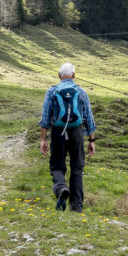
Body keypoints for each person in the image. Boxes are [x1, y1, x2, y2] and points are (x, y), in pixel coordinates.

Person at [39, 62, 96, 212]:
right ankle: (76, 207)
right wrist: (91, 140)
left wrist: (43, 140)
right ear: (74, 75)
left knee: (57, 166)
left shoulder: (52, 91)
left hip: (58, 132)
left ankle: (61, 188)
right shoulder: (81, 91)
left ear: (59, 76)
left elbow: (45, 118)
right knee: (77, 168)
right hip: (76, 132)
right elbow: (89, 118)